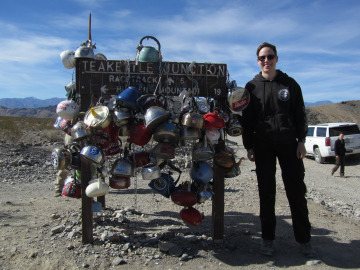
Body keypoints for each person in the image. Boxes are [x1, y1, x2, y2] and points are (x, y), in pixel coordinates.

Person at [242, 42, 315, 258]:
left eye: (270, 56)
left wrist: (301, 140)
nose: (266, 61)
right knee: (267, 192)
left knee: (296, 192)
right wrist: (249, 146)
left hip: (288, 144)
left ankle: (304, 240)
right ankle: (267, 240)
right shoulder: (251, 87)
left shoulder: (290, 84)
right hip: (263, 144)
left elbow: (300, 114)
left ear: (276, 58)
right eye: (262, 58)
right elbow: (248, 120)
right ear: (257, 61)